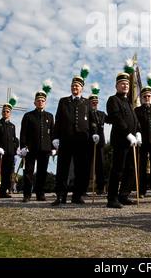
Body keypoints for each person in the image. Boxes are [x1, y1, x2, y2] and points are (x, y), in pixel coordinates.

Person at [51, 67, 99, 205]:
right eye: (73, 85)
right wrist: (55, 137)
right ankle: (60, 195)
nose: (74, 88)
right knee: (62, 169)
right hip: (66, 139)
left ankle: (77, 195)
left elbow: (92, 121)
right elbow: (58, 119)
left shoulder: (87, 103)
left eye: (77, 86)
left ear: (82, 88)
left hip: (82, 141)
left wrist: (95, 133)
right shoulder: (63, 101)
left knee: (81, 169)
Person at [106, 71, 141, 208]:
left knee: (131, 170)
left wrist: (138, 132)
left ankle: (124, 195)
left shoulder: (128, 102)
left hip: (131, 142)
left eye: (127, 84)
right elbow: (116, 118)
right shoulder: (113, 100)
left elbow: (135, 119)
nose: (125, 86)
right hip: (121, 140)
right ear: (116, 86)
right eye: (122, 84)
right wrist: (128, 133)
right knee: (118, 169)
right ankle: (112, 198)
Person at [19, 81, 54, 202]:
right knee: (28, 171)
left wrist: (53, 147)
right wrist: (23, 146)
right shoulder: (28, 116)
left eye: (42, 101)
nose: (40, 102)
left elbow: (52, 132)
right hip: (31, 148)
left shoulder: (49, 116)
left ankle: (40, 193)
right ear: (35, 102)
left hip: (45, 148)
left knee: (42, 172)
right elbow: (23, 132)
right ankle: (27, 194)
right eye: (38, 100)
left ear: (45, 102)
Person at [0, 97, 19, 198]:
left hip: (9, 154)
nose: (5, 113)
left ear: (10, 113)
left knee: (6, 174)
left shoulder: (12, 126)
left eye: (7, 111)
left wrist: (15, 152)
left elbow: (14, 140)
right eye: (4, 111)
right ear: (1, 112)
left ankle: (3, 192)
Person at [87, 84, 107, 195]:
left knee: (100, 166)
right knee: (86, 166)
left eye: (96, 102)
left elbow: (111, 119)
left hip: (100, 143)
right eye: (93, 102)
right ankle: (83, 188)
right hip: (88, 142)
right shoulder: (86, 113)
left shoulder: (101, 114)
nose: (95, 104)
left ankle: (100, 188)